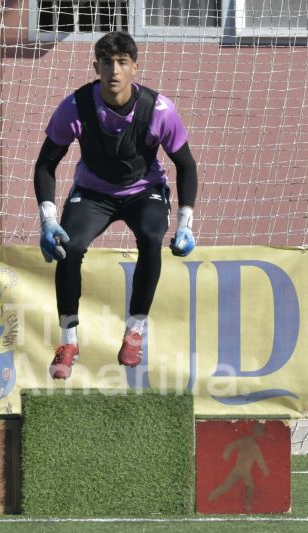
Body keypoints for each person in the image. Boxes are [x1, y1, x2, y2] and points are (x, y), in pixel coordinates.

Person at [33, 31, 198, 380]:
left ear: (135, 67)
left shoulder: (159, 110)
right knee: (68, 247)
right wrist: (47, 220)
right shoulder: (75, 107)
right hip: (93, 193)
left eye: (122, 62)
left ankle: (134, 332)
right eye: (107, 62)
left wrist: (186, 223)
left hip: (144, 191)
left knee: (152, 238)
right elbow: (45, 164)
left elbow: (186, 165)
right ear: (96, 67)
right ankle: (68, 342)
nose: (114, 70)